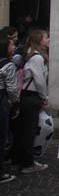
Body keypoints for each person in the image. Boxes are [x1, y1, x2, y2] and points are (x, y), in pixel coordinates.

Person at [11, 29, 49, 175]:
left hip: (26, 96)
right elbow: (39, 80)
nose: (48, 40)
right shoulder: (37, 57)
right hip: (31, 96)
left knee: (21, 130)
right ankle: (27, 163)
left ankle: (18, 160)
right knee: (29, 131)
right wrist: (44, 96)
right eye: (46, 38)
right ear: (40, 40)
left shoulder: (29, 55)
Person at [0, 29, 19, 183]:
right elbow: (12, 89)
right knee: (2, 135)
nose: (14, 48)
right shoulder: (8, 65)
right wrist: (15, 103)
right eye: (12, 45)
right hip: (2, 99)